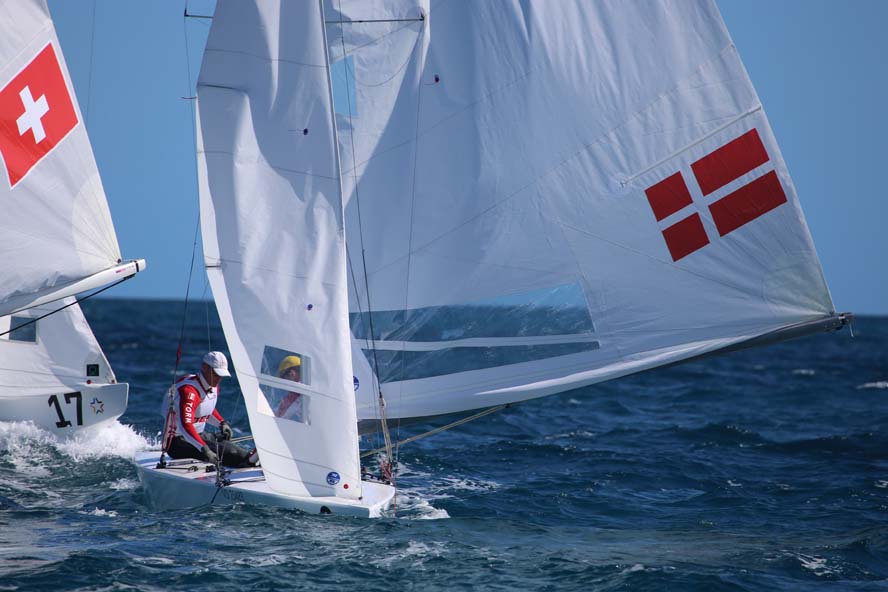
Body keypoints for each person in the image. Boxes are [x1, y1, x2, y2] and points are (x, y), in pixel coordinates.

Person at [163, 351, 255, 468]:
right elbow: (185, 427)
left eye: (221, 375)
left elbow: (205, 409)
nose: (219, 379)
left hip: (198, 436)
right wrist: (205, 450)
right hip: (178, 443)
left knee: (233, 446)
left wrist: (222, 423)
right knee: (233, 453)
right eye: (216, 374)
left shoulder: (212, 385)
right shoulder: (189, 391)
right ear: (205, 368)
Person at [274, 355, 305, 421]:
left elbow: (277, 417)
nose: (284, 385)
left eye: (283, 379)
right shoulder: (314, 384)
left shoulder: (297, 392)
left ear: (291, 374)